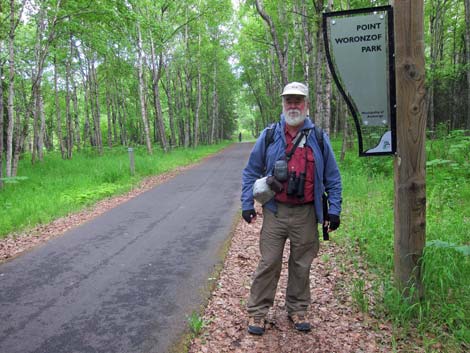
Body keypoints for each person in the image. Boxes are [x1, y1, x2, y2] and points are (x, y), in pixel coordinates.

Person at [240, 82, 342, 335]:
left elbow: (333, 176)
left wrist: (334, 209)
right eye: (289, 101)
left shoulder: (318, 137)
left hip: (307, 213)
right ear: (283, 104)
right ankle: (258, 313)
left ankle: (297, 308)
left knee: (302, 264)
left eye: (298, 101)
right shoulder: (270, 135)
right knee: (269, 262)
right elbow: (251, 171)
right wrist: (246, 203)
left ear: (307, 105)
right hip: (276, 211)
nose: (293, 105)